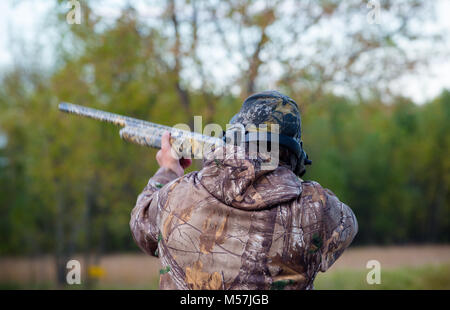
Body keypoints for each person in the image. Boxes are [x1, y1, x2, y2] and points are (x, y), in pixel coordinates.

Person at [130, 90, 358, 290]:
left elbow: (140, 226)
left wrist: (168, 170)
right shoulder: (320, 209)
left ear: (232, 138)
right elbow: (348, 226)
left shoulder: (175, 195)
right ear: (296, 154)